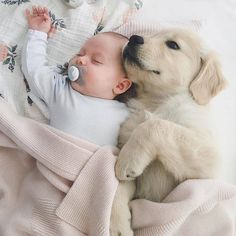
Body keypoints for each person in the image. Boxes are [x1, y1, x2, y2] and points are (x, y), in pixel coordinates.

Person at [21, 6, 135, 146]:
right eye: (80, 53)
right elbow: (34, 68)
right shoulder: (60, 89)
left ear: (120, 85)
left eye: (96, 60)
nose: (81, 60)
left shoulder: (127, 115)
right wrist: (38, 33)